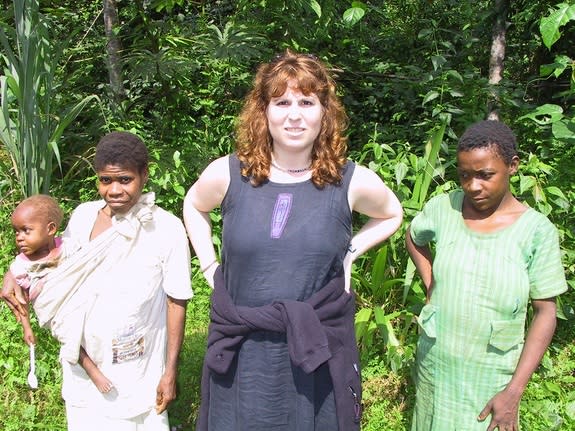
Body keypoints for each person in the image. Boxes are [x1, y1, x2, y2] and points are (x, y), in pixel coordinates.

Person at [183, 50, 403, 431]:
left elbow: (392, 214)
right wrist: (208, 263)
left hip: (313, 351)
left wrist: (350, 252)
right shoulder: (229, 173)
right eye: (282, 102)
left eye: (306, 101)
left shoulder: (350, 181)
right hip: (242, 353)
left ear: (324, 112)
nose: (294, 114)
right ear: (264, 111)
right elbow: (193, 204)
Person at [2, 131, 193, 431]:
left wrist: (170, 371)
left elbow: (176, 301)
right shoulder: (82, 217)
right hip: (83, 371)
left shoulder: (167, 229)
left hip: (138, 370)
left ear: (144, 175)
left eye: (125, 179)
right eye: (106, 180)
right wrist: (11, 273)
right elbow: (50, 260)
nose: (114, 190)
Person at [406, 120, 567, 431]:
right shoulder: (444, 208)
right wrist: (431, 282)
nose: (473, 186)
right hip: (436, 367)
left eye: (485, 175)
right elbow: (414, 237)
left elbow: (545, 313)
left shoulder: (536, 232)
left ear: (512, 166)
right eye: (464, 175)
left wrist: (513, 393)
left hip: (492, 378)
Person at [8, 194, 113, 393]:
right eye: (16, 232)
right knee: (68, 333)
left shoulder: (68, 247)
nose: (19, 237)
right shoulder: (20, 266)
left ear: (50, 229)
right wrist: (26, 328)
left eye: (26, 230)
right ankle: (90, 368)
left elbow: (82, 267)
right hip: (54, 311)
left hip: (77, 300)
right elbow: (21, 301)